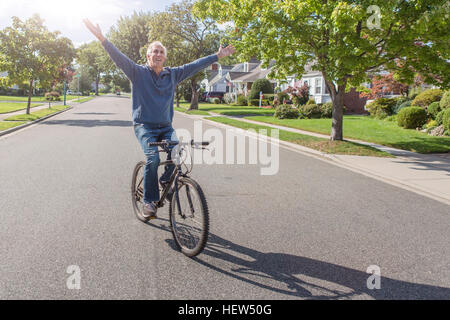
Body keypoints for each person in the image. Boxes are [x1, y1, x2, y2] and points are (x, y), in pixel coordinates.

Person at [83, 19, 235, 219]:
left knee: (177, 153)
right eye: (154, 51)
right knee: (153, 157)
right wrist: (102, 38)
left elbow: (195, 65)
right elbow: (118, 58)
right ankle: (149, 201)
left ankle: (165, 180)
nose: (157, 54)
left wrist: (217, 55)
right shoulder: (137, 73)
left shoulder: (173, 75)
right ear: (148, 56)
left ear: (164, 57)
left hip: (165, 126)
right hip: (144, 126)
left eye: (161, 52)